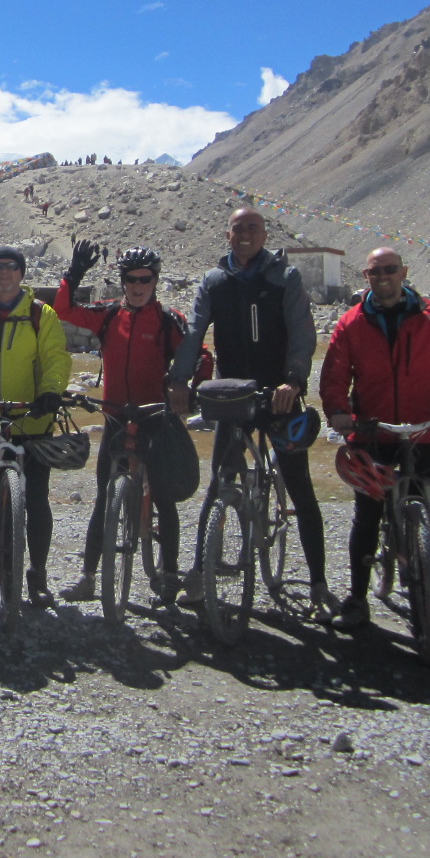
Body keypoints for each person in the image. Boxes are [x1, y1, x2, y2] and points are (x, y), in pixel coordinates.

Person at [167, 208, 332, 612]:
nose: (245, 235)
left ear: (263, 234)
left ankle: (318, 582)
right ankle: (200, 575)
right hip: (233, 397)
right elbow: (194, 331)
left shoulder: (285, 278)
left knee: (300, 487)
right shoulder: (214, 281)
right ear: (228, 235)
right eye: (238, 229)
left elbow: (301, 333)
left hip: (279, 396)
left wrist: (293, 381)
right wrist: (179, 381)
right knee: (219, 481)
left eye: (252, 229)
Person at [318, 246, 430, 632]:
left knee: (427, 511)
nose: (383, 277)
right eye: (375, 272)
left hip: (425, 431)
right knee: (367, 515)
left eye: (390, 270)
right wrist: (340, 412)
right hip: (373, 433)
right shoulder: (351, 323)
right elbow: (335, 374)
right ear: (366, 276)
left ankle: (429, 599)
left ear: (404, 272)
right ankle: (357, 599)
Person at [54, 242, 210, 603]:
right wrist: (73, 274)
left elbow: (199, 355)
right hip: (115, 417)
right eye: (131, 279)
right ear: (122, 281)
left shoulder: (169, 320)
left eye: (146, 279)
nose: (138, 286)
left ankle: (169, 573)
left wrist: (189, 388)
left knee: (163, 497)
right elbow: (64, 309)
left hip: (155, 418)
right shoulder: (109, 315)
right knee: (103, 499)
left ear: (155, 280)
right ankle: (88, 576)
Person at [0, 245, 70, 608]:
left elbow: (56, 356)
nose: (4, 273)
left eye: (11, 267)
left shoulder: (41, 314)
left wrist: (52, 392)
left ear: (22, 274)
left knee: (36, 500)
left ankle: (36, 575)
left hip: (33, 420)